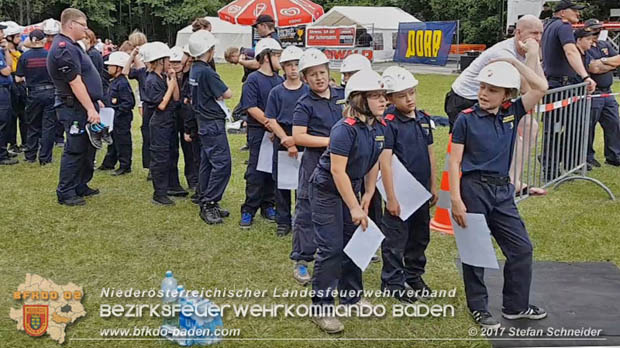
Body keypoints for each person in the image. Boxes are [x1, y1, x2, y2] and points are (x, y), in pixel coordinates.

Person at [449, 59, 548, 329]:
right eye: (482, 87)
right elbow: (454, 161)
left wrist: (514, 62)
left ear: (507, 94)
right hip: (473, 189)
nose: (483, 93)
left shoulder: (512, 112)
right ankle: (478, 307)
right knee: (476, 252)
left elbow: (541, 86)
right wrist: (456, 200)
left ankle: (516, 306)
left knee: (521, 249)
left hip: (502, 190)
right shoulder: (465, 119)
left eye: (492, 89)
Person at [309, 69, 387, 334]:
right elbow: (337, 170)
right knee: (331, 248)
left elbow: (373, 161)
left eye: (383, 95)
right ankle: (322, 308)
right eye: (376, 96)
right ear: (359, 99)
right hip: (327, 190)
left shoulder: (379, 127)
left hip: (352, 188)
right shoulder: (344, 129)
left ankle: (352, 297)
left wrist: (367, 195)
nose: (383, 100)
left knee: (354, 245)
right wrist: (353, 206)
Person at [445, 15, 546, 196]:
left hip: (497, 100)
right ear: (518, 33)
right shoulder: (503, 53)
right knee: (476, 147)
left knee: (531, 126)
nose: (537, 38)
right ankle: (466, 189)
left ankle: (512, 180)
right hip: (465, 99)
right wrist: (530, 56)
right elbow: (526, 88)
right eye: (533, 33)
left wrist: (534, 58)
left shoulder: (529, 52)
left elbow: (541, 85)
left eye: (540, 33)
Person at [379, 66, 437, 303]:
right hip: (400, 192)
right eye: (402, 95)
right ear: (390, 98)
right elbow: (385, 161)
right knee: (395, 238)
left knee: (420, 235)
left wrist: (433, 185)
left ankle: (414, 275)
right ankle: (392, 280)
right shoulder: (389, 123)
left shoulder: (423, 119)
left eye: (411, 92)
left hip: (421, 190)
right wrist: (391, 197)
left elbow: (430, 153)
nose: (409, 99)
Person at [291, 48, 344, 285]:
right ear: (304, 78)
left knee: (343, 209)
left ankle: (342, 257)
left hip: (343, 165)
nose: (319, 78)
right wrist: (332, 142)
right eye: (312, 75)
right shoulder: (304, 104)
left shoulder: (343, 97)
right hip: (314, 165)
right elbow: (299, 137)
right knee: (306, 212)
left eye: (322, 72)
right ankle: (302, 261)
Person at [47, 8, 106, 206]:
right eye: (83, 24)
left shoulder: (73, 46)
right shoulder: (63, 48)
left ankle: (80, 184)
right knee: (75, 149)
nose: (86, 28)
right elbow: (75, 82)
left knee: (87, 147)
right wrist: (90, 108)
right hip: (74, 107)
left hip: (82, 105)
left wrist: (94, 100)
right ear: (71, 24)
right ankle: (66, 191)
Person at [540, 0, 595, 179]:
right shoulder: (563, 27)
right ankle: (553, 167)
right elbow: (571, 51)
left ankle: (554, 166)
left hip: (556, 84)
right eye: (575, 11)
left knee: (559, 128)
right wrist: (585, 76)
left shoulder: (549, 26)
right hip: (562, 85)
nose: (578, 15)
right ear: (563, 12)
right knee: (568, 128)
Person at [188, 30, 233, 224]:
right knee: (222, 165)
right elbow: (227, 93)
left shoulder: (194, 69)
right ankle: (210, 202)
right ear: (209, 50)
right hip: (213, 122)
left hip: (203, 121)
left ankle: (204, 197)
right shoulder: (207, 71)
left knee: (208, 162)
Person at [239, 38, 283, 228]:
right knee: (256, 173)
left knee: (273, 172)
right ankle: (249, 209)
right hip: (259, 132)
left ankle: (268, 204)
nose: (281, 60)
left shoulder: (280, 80)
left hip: (276, 133)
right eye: (277, 55)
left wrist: (278, 129)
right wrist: (269, 124)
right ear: (267, 57)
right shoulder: (253, 79)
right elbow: (250, 106)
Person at [265, 45, 308, 236]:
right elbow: (271, 118)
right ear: (282, 67)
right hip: (282, 137)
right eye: (289, 65)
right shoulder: (276, 92)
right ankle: (283, 220)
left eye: (296, 65)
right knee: (281, 182)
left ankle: (301, 219)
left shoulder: (308, 91)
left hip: (304, 137)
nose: (293, 69)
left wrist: (297, 139)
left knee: (303, 181)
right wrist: (285, 139)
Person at [142, 42, 184, 205]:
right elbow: (161, 104)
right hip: (159, 123)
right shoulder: (152, 80)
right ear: (160, 61)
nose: (170, 63)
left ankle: (172, 185)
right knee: (160, 157)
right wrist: (172, 84)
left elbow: (175, 98)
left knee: (172, 153)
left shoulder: (163, 77)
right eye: (167, 60)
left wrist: (172, 80)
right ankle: (159, 193)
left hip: (169, 122)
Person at [582, 19, 620, 167]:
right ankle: (587, 157)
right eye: (594, 29)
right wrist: (609, 64)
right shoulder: (585, 47)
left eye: (599, 29)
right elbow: (593, 68)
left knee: (614, 123)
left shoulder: (604, 44)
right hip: (593, 92)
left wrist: (603, 61)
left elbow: (617, 60)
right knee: (589, 126)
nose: (597, 32)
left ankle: (614, 155)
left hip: (607, 92)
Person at [14, 29, 55, 165]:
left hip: (33, 93)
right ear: (43, 40)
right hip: (50, 92)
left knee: (32, 124)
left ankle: (30, 155)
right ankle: (45, 158)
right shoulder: (50, 55)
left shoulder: (25, 57)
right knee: (48, 126)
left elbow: (18, 78)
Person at [100, 51, 135, 176]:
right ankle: (109, 163)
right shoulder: (114, 81)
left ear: (119, 68)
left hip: (121, 119)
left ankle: (125, 165)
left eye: (111, 66)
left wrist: (118, 113)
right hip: (113, 118)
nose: (108, 68)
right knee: (113, 141)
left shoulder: (122, 83)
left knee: (122, 142)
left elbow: (129, 102)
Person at [170, 46, 198, 191]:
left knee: (190, 151)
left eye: (177, 62)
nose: (175, 65)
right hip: (172, 118)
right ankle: (173, 182)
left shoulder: (190, 77)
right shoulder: (166, 77)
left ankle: (192, 180)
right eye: (172, 62)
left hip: (186, 118)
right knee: (171, 150)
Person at [123, 37, 150, 180]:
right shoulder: (141, 71)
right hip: (146, 104)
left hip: (156, 105)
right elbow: (126, 71)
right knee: (147, 135)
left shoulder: (150, 71)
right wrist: (132, 56)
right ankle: (151, 167)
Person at [3, 21, 27, 156]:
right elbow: (10, 68)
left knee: (24, 115)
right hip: (12, 84)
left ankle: (25, 142)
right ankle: (12, 143)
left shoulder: (19, 51)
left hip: (21, 85)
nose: (20, 39)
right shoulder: (5, 53)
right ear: (10, 38)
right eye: (17, 37)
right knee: (11, 116)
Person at [0, 22, 18, 165]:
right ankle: (1, 154)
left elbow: (10, 66)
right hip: (1, 90)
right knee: (2, 122)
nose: (3, 35)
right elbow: (6, 71)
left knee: (7, 121)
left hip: (5, 89)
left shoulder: (1, 49)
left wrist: (6, 50)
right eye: (1, 32)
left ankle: (4, 151)